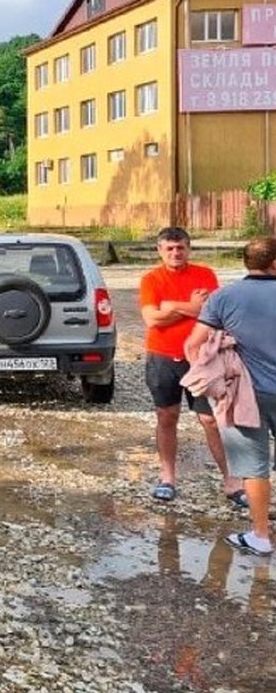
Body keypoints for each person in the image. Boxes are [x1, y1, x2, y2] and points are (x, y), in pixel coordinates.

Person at [139, 226, 245, 505]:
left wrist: (171, 306)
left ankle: (231, 482)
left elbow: (213, 312)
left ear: (189, 248)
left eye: (181, 247)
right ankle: (167, 479)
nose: (176, 253)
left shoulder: (205, 274)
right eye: (170, 248)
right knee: (166, 417)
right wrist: (189, 306)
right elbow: (151, 319)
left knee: (211, 420)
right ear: (160, 251)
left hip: (202, 360)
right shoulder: (151, 279)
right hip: (161, 357)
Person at [186, 237, 276, 556]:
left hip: (245, 393)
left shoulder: (223, 297)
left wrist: (214, 383)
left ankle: (261, 536)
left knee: (254, 466)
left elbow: (193, 345)